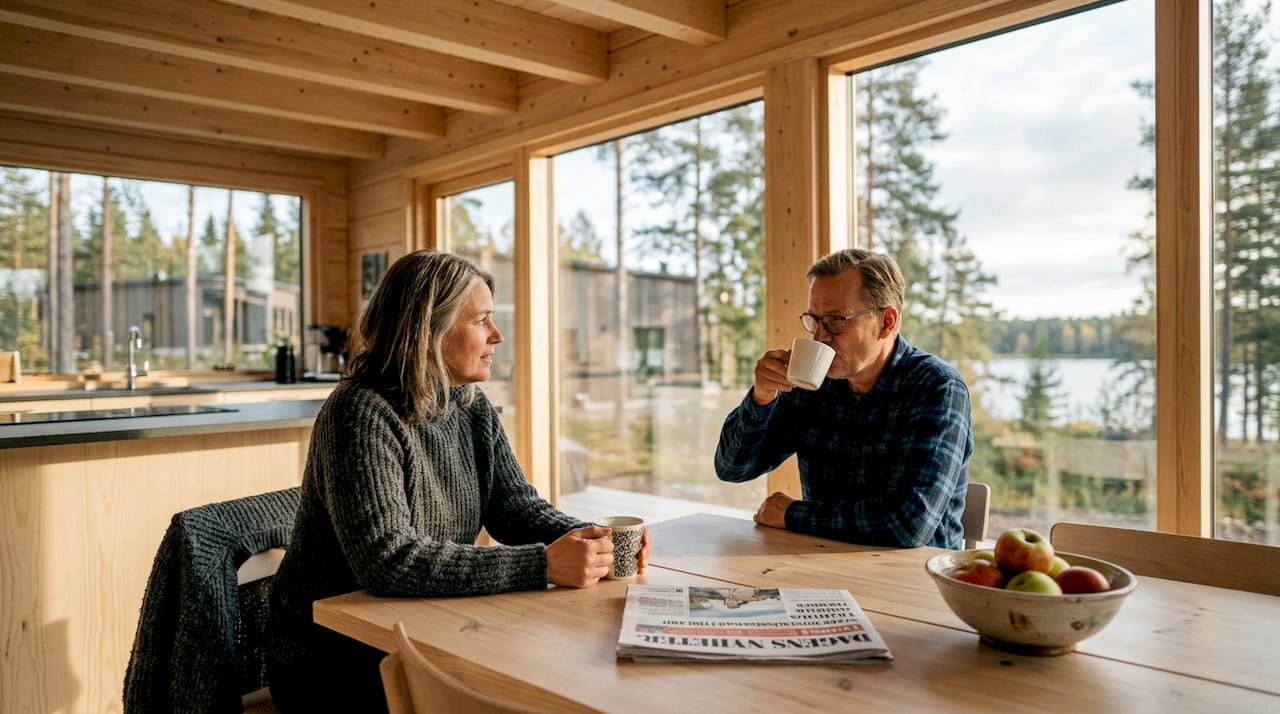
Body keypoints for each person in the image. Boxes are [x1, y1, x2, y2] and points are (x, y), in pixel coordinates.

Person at [267, 250, 650, 712]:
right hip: (335, 659)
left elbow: (515, 509)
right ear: (428, 329)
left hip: (422, 626)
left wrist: (594, 539)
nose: (497, 335)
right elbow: (389, 561)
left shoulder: (469, 403)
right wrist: (544, 565)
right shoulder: (360, 412)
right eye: (482, 320)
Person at [714, 248, 972, 549]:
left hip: (915, 572)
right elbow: (732, 468)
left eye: (835, 320)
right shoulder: (814, 382)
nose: (819, 337)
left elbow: (908, 525)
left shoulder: (937, 387)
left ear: (886, 322)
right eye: (814, 320)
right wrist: (762, 398)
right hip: (823, 563)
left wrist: (791, 514)